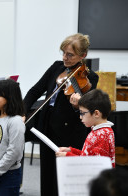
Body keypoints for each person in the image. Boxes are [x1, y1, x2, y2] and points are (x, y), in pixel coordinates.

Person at [23, 33, 99, 196]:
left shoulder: (90, 77)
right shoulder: (57, 67)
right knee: (47, 174)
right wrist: (22, 111)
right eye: (63, 52)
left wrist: (78, 105)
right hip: (47, 127)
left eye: (70, 54)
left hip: (70, 133)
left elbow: (89, 110)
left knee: (65, 177)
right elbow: (35, 90)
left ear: (82, 55)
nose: (65, 57)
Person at [56, 89, 115, 168]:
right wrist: (71, 151)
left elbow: (93, 164)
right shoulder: (99, 131)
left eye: (82, 113)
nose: (80, 117)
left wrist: (68, 156)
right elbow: (88, 155)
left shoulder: (102, 134)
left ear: (96, 113)